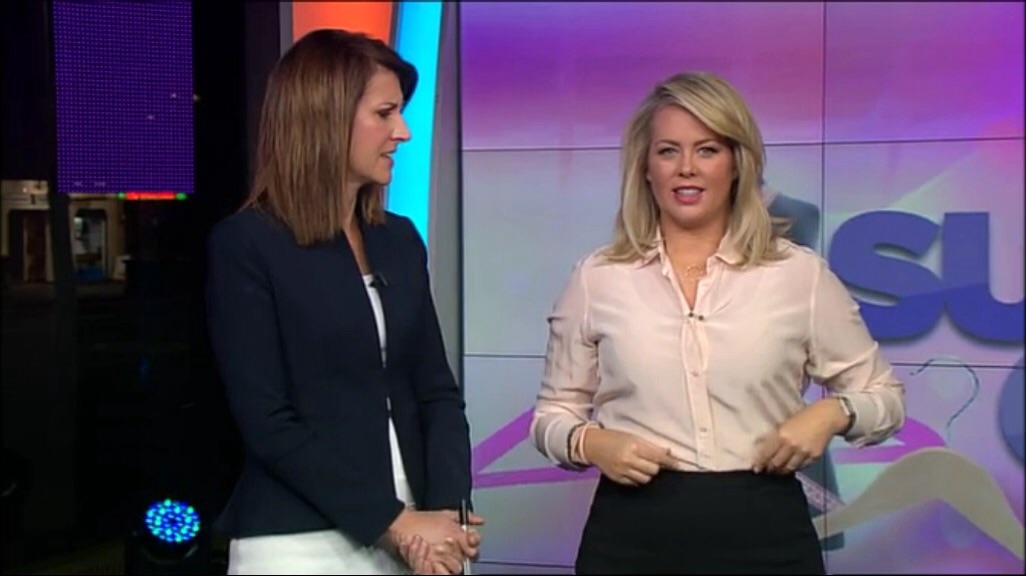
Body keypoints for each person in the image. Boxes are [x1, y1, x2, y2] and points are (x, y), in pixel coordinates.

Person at [530, 72, 905, 575]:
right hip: (631, 535)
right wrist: (589, 443)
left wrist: (833, 413)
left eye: (707, 150)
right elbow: (553, 414)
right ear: (645, 167)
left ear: (737, 164)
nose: (686, 168)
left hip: (767, 533)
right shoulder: (597, 278)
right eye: (668, 151)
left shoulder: (799, 275)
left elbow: (885, 398)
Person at [206, 29, 482, 575]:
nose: (402, 132)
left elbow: (436, 392)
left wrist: (448, 514)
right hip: (300, 541)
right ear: (326, 118)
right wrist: (395, 523)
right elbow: (267, 421)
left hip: (422, 535)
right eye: (384, 113)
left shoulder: (398, 239)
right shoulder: (247, 244)